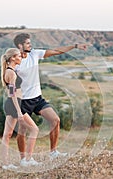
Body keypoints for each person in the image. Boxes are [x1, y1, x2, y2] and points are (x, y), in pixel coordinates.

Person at [13, 33, 88, 161]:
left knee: (55, 120)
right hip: (23, 101)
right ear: (20, 45)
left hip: (37, 98)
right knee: (22, 131)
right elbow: (10, 83)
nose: (30, 45)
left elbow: (56, 51)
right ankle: (23, 159)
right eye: (27, 43)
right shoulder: (16, 62)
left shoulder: (34, 54)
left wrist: (74, 46)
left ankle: (53, 152)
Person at [0, 48, 40, 170]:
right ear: (12, 58)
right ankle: (27, 160)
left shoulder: (9, 70)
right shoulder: (11, 73)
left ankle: (6, 164)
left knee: (7, 134)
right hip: (14, 104)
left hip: (12, 103)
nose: (21, 57)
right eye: (18, 56)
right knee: (34, 129)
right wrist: (19, 111)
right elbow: (12, 93)